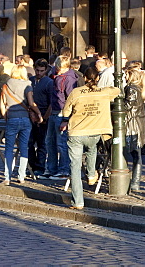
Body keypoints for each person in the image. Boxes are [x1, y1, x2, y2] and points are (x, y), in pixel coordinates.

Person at [60, 67, 121, 210]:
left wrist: (64, 120)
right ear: (97, 78)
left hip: (76, 132)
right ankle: (91, 173)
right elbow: (117, 90)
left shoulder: (76, 93)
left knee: (74, 167)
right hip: (95, 131)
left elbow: (66, 111)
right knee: (92, 149)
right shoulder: (104, 93)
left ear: (85, 78)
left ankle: (78, 202)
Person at [0, 64, 41, 185]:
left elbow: (2, 105)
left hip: (11, 118)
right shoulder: (27, 85)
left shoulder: (6, 85)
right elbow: (31, 103)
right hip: (24, 119)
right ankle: (21, 176)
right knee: (24, 148)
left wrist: (6, 117)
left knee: (9, 148)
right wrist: (39, 114)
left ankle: (7, 177)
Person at [44, 57, 71, 180]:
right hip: (54, 112)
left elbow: (70, 98)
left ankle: (64, 170)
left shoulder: (69, 78)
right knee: (50, 142)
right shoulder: (56, 77)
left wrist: (66, 118)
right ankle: (51, 168)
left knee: (61, 144)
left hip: (61, 113)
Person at [124, 68, 145, 191]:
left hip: (132, 124)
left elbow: (128, 105)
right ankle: (135, 182)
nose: (124, 77)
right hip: (139, 123)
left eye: (126, 75)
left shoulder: (132, 88)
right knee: (136, 155)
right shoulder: (140, 88)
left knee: (127, 153)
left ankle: (132, 182)